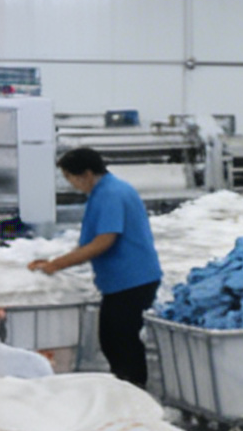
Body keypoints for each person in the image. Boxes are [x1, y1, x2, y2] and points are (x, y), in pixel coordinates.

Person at [28, 147, 161, 387]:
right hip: (124, 280)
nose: (70, 184)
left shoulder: (111, 194)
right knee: (114, 339)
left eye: (70, 177)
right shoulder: (104, 192)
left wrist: (57, 265)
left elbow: (104, 241)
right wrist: (55, 260)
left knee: (120, 341)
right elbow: (92, 240)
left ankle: (133, 391)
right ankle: (128, 388)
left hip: (132, 280)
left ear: (87, 174)